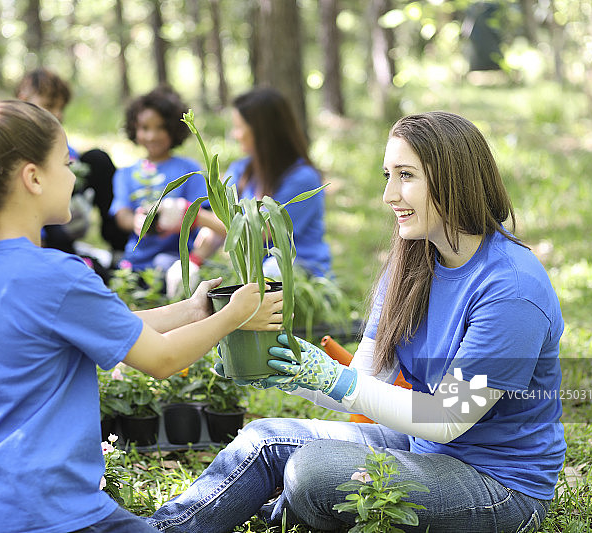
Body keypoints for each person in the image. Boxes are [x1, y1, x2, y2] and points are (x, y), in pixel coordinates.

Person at [148, 111, 565, 532]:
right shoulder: (412, 262)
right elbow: (365, 381)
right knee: (262, 439)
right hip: (421, 447)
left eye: (406, 175)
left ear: (454, 179)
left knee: (313, 470)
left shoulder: (512, 289)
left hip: (497, 485)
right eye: (388, 175)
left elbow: (448, 419)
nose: (388, 195)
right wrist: (292, 372)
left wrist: (336, 378)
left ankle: (278, 513)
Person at [0, 99, 283, 533]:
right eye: (66, 164)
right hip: (48, 512)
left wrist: (193, 310)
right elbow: (162, 359)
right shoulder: (56, 275)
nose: (74, 177)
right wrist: (233, 316)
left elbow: (105, 325)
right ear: (33, 178)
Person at [110, 86, 223, 295]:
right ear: (134, 129)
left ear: (173, 129)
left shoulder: (190, 170)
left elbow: (208, 218)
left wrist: (183, 214)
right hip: (135, 261)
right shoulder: (125, 174)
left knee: (164, 268)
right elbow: (121, 213)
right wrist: (136, 221)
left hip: (176, 260)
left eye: (160, 127)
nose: (152, 136)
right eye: (144, 128)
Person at [16, 67, 129, 265]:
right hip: (37, 235)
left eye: (61, 108)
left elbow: (73, 162)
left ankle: (119, 250)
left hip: (63, 212)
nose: (57, 114)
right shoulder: (12, 145)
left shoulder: (59, 142)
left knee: (98, 159)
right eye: (49, 105)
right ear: (24, 100)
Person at [223, 87, 331, 279]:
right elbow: (220, 221)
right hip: (253, 276)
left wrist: (195, 215)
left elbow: (259, 232)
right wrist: (194, 260)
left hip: (301, 276)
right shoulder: (240, 169)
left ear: (261, 131)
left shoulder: (303, 179)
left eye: (239, 127)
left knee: (273, 270)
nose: (234, 134)